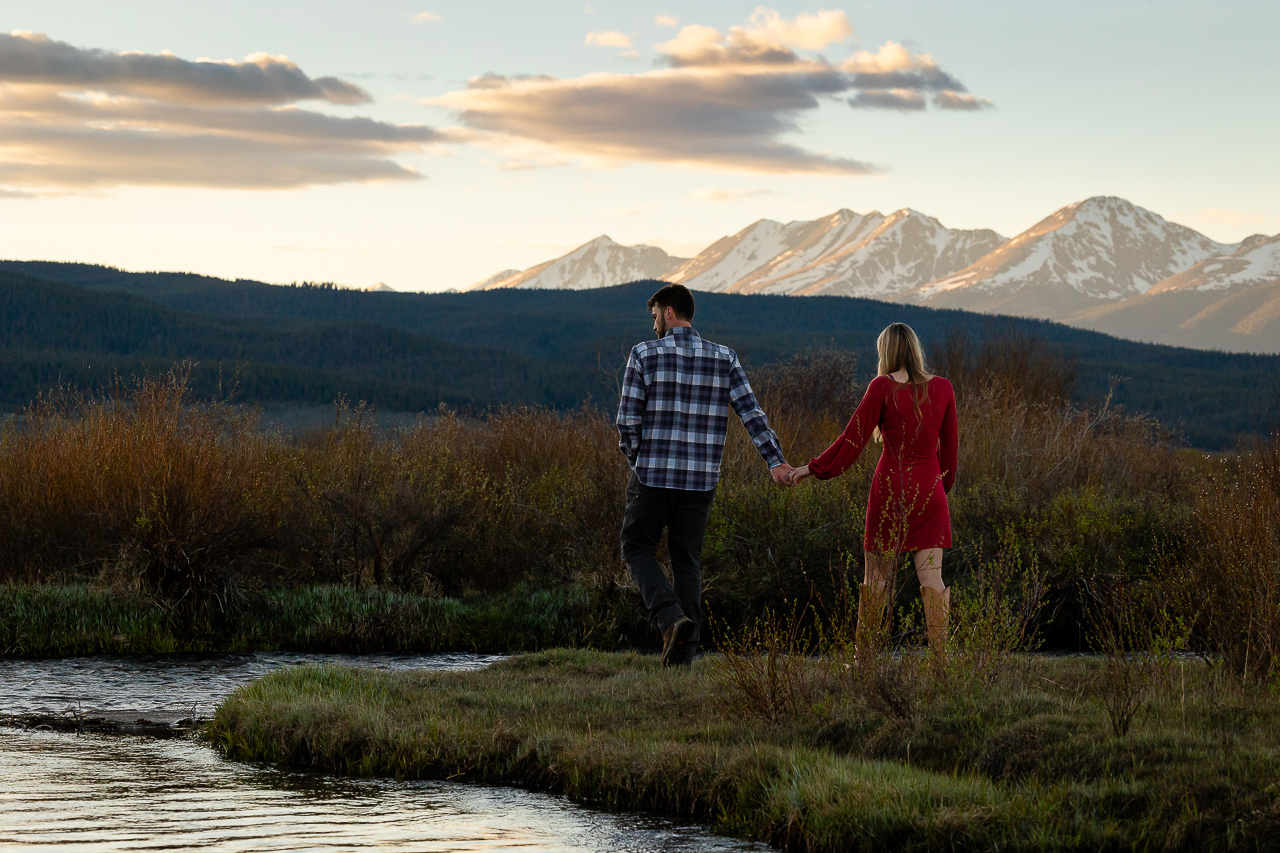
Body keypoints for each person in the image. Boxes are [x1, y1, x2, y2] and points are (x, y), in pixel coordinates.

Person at [617, 283, 794, 667]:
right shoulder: (724, 358)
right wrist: (775, 461)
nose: (653, 327)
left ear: (668, 313)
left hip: (653, 476)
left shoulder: (644, 354)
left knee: (636, 548)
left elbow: (627, 421)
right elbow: (752, 414)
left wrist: (640, 462)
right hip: (700, 482)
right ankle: (685, 655)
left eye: (654, 318)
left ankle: (670, 619)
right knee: (686, 562)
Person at [787, 323, 958, 659]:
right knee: (933, 583)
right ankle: (941, 666)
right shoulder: (944, 388)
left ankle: (864, 662)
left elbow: (852, 439)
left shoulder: (881, 387)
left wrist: (812, 469)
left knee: (876, 581)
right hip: (929, 491)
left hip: (890, 489)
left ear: (887, 352)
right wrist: (939, 490)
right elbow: (949, 454)